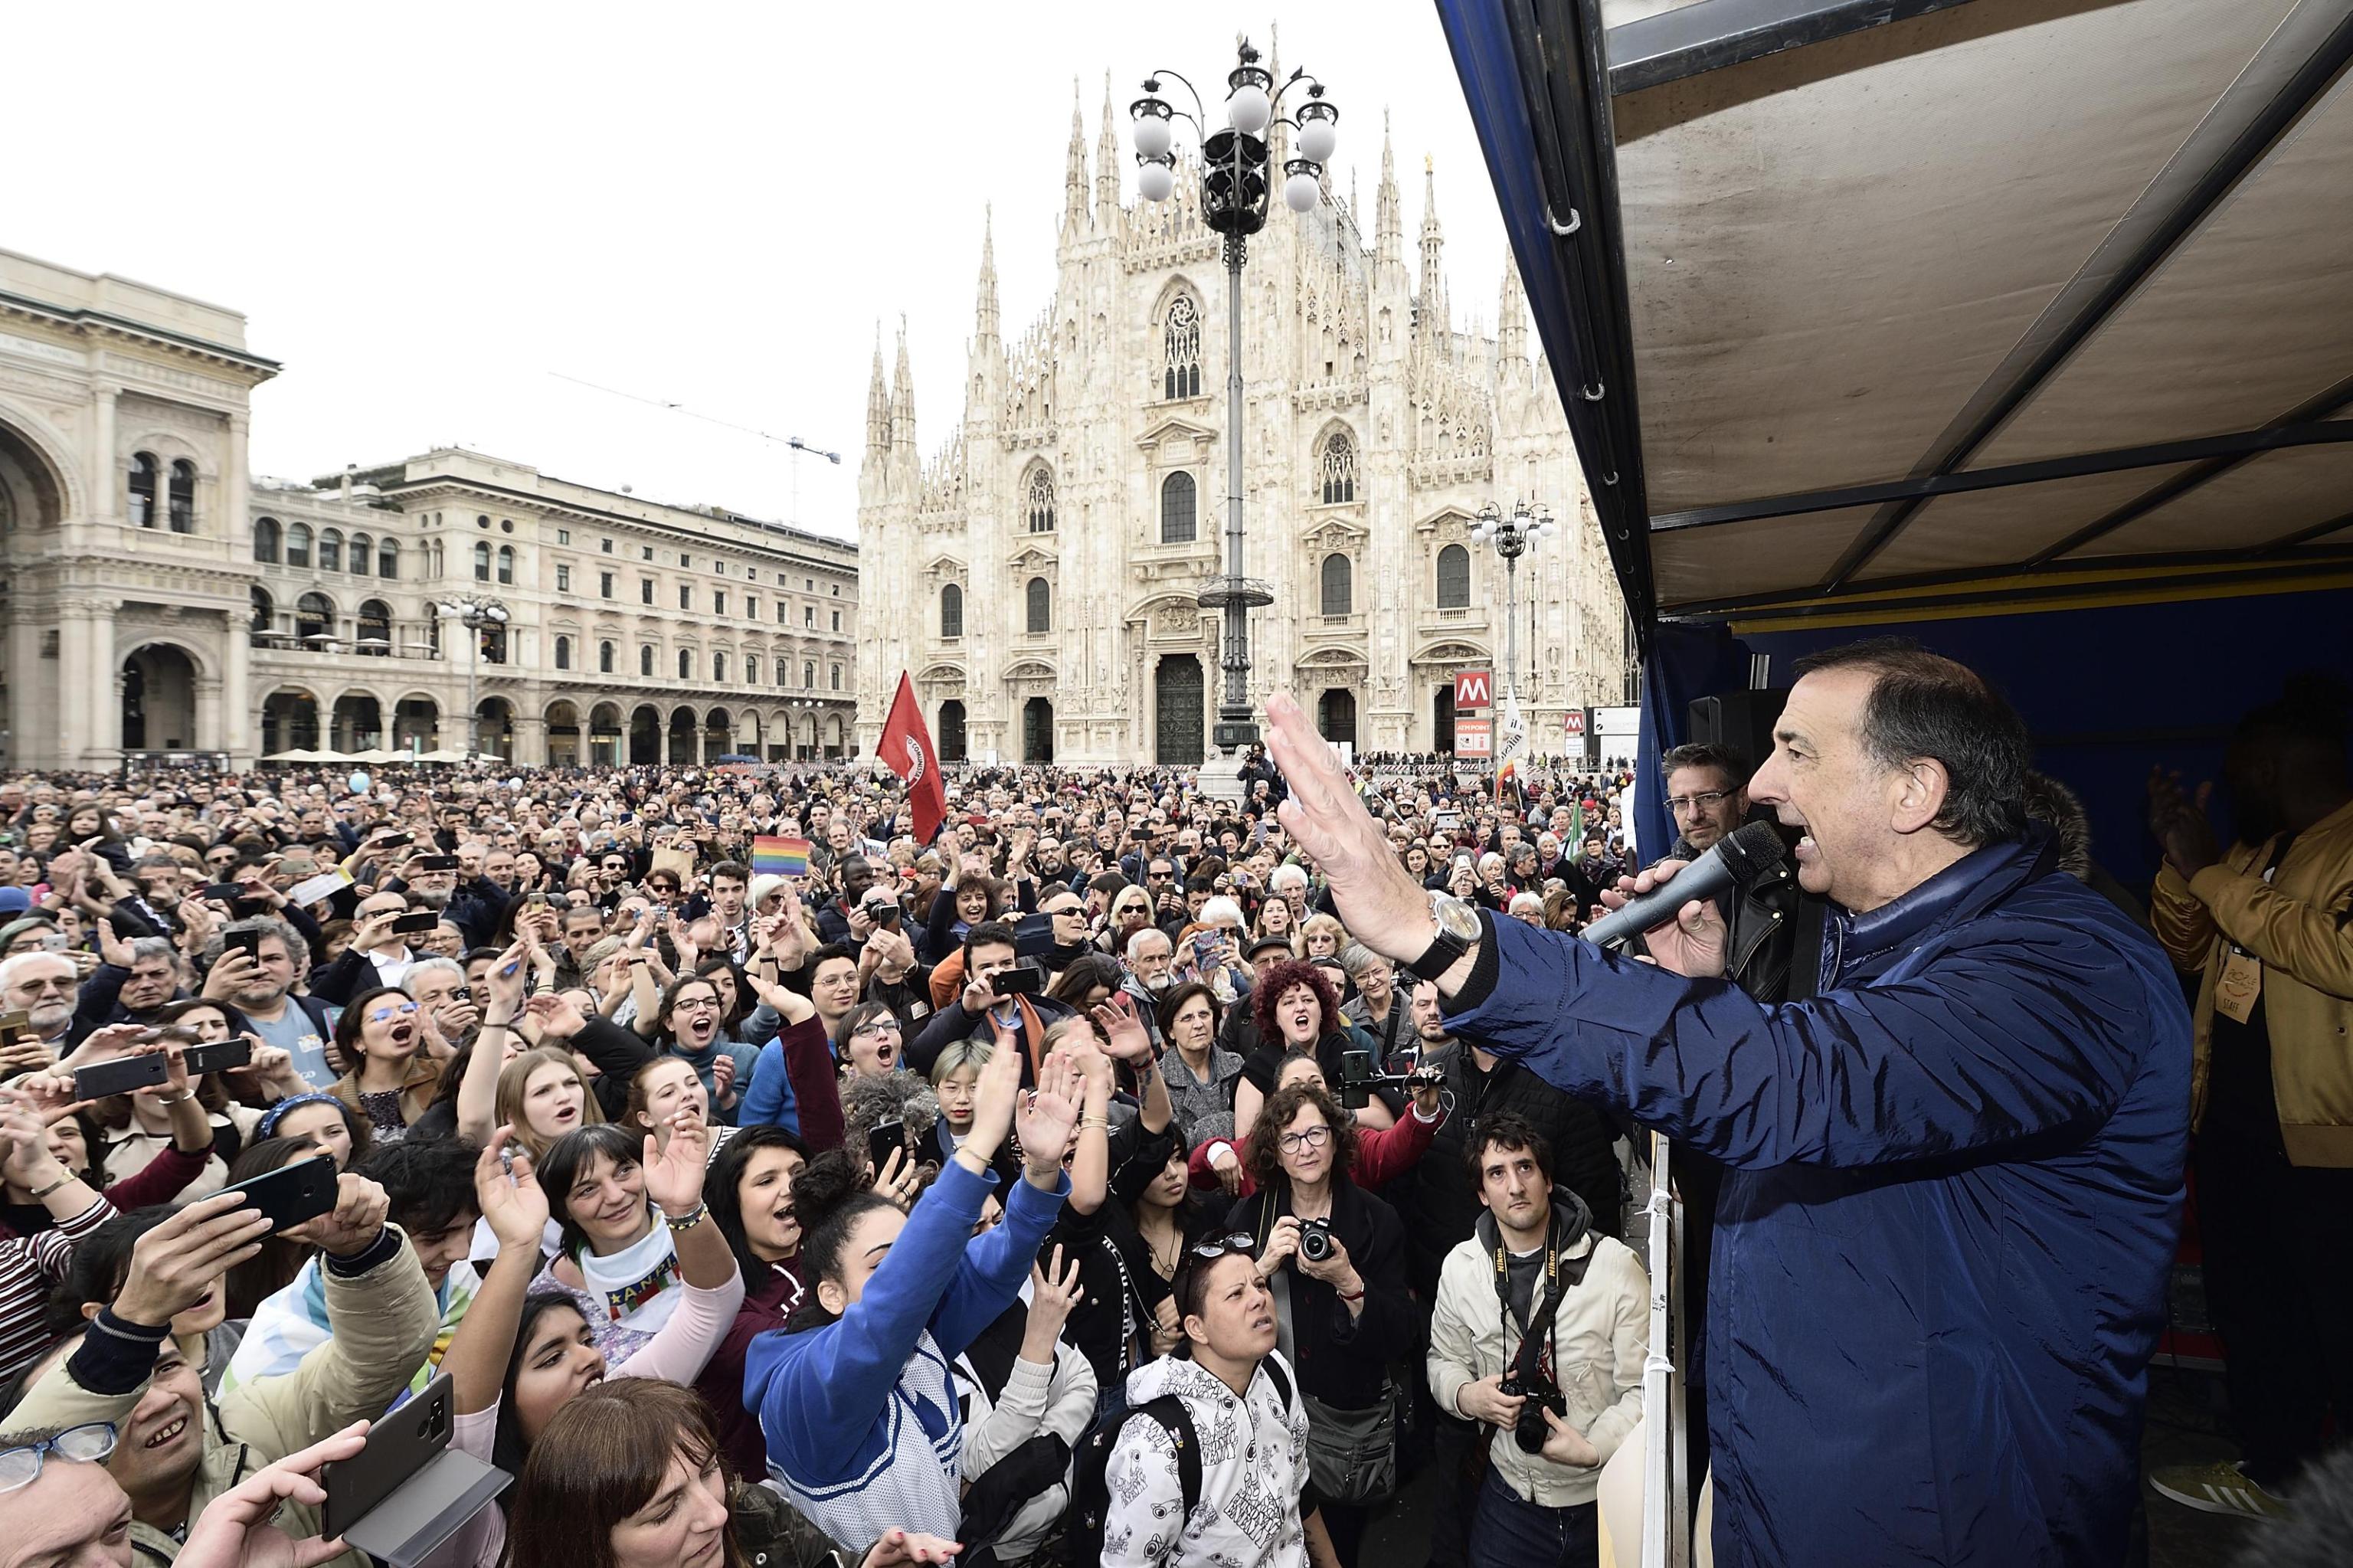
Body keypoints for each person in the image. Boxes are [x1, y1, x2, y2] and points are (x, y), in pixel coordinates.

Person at [1258, 642, 2193, 1567]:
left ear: (1914, 791)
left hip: (1954, 1524)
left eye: (1798, 751)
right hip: (1806, 1497)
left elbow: (1803, 1085)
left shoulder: (2069, 972)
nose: (1763, 786)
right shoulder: (1880, 949)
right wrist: (1714, 990)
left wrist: (1440, 935)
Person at [2145, 677, 2353, 1518]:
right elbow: (2186, 943)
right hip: (2234, 1129)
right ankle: (2278, 1476)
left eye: (2237, 774)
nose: (2231, 788)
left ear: (2271, 763)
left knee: (2338, 1324)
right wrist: (2178, 859)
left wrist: (2213, 876)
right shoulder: (2254, 853)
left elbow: (2338, 955)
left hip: (2329, 1143)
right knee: (2257, 1319)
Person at [748, 1033, 1082, 1554]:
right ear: (832, 1294)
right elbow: (887, 1313)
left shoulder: (920, 1330)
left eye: (914, 1250)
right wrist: (974, 1148)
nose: (915, 1271)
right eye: (887, 1263)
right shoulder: (801, 1391)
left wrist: (1040, 1167)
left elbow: (995, 1260)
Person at [0, 1174, 440, 1564]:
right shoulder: (61, 1545)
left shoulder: (250, 1423)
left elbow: (380, 1359)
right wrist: (129, 1323)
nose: (158, 1400)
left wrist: (363, 1252)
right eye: (119, 1394)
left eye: (168, 1368)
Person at [422, 1120, 743, 1568]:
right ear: (504, 1405)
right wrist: (518, 1246)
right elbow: (458, 1419)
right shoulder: (487, 1534)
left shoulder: (617, 1402)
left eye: (587, 1340)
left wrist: (684, 1208)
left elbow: (712, 1305)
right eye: (552, 1357)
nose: (590, 1359)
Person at [1426, 1115, 1646, 1568]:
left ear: (1548, 1179)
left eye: (1525, 1167)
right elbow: (1442, 1360)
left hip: (1603, 1496)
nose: (1515, 1185)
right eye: (1497, 1173)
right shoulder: (1461, 1268)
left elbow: (1645, 1392)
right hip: (1510, 1501)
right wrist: (1469, 1397)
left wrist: (1594, 1449)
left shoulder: (1616, 1266)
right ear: (1482, 1195)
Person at [1226, 1082, 1415, 1565]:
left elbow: (1401, 1335)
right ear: (1275, 1152)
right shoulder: (1252, 1216)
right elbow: (1214, 1324)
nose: (1305, 1149)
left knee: (1338, 1549)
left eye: (1316, 1134)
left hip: (1343, 1427)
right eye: (1291, 1139)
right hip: (1264, 1423)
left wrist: (1350, 1281)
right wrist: (1261, 1266)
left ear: (1336, 1139)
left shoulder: (1378, 1220)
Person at [504, 1377, 960, 1568]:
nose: (716, 1515)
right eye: (664, 1512)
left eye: (706, 1473)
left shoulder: (753, 1514)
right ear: (587, 1544)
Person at [1098, 1236, 1334, 1568]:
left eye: (1261, 1285)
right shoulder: (1154, 1444)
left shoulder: (1277, 1373)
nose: (1259, 1299)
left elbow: (1300, 1487)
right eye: (1236, 1294)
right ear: (1197, 1328)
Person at [701, 1124, 811, 1478]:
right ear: (733, 1204)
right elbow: (817, 1354)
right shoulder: (724, 1303)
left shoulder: (829, 1243)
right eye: (766, 1181)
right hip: (777, 1493)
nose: (790, 1188)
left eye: (797, 1173)